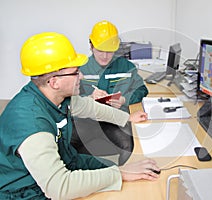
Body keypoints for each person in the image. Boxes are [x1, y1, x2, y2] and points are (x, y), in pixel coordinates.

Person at [0, 32, 160, 199]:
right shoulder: (30, 123)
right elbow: (59, 188)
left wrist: (126, 118)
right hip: (26, 191)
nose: (81, 76)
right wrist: (120, 174)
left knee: (120, 174)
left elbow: (91, 107)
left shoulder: (58, 97)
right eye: (76, 72)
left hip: (67, 161)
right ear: (54, 82)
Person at [72, 20, 149, 165]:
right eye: (100, 50)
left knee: (129, 146)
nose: (105, 56)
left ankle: (124, 177)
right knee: (66, 145)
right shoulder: (80, 69)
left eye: (109, 51)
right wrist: (88, 98)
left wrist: (124, 100)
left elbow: (142, 89)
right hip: (87, 120)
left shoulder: (126, 67)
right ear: (91, 46)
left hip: (116, 120)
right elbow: (69, 99)